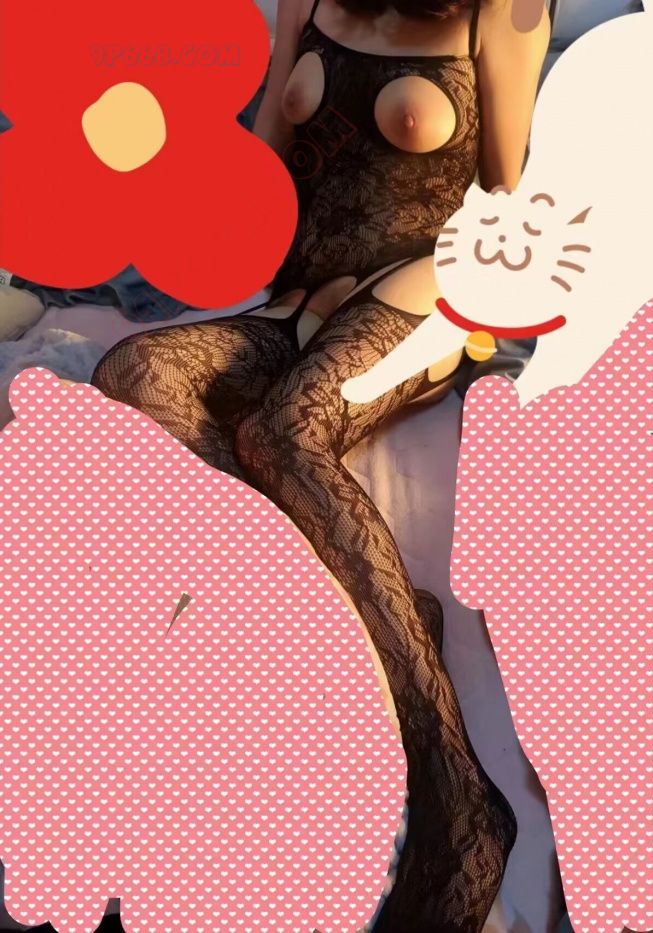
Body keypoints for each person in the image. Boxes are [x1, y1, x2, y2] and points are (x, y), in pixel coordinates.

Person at [90, 1, 550, 928]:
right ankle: (338, 620)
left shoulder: (500, 12)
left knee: (286, 433)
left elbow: (510, 196)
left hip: (428, 290)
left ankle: (457, 791)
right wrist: (142, 157)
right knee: (134, 370)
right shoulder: (308, 1)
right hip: (299, 294)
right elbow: (254, 173)